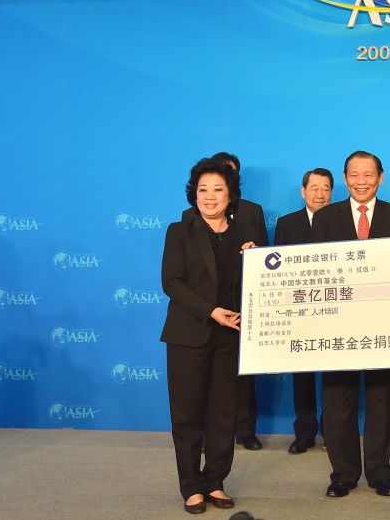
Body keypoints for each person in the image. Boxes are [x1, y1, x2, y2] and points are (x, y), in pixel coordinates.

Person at [311, 151, 390, 499]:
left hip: (385, 325)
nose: (361, 181)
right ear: (344, 177)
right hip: (337, 326)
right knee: (338, 400)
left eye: (368, 175)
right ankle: (342, 474)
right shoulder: (325, 219)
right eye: (354, 175)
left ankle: (380, 473)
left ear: (380, 178)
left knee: (382, 399)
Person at [161, 158, 243, 514]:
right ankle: (191, 487)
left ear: (231, 194)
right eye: (203, 189)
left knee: (224, 414)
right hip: (189, 335)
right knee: (188, 414)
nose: (210, 197)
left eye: (218, 189)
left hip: (231, 336)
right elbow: (172, 283)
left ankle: (215, 482)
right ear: (193, 194)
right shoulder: (179, 231)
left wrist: (255, 264)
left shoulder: (242, 234)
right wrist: (211, 311)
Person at [207, 152, 269, 452]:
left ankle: (246, 430)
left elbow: (268, 258)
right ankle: (209, 434)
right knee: (208, 376)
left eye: (229, 174)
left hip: (247, 303)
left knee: (244, 371)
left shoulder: (253, 212)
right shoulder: (194, 214)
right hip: (209, 307)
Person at [273, 167, 334, 454]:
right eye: (314, 188)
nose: (319, 194)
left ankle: (333, 433)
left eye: (325, 188)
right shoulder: (286, 224)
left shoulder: (342, 220)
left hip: (337, 307)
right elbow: (277, 269)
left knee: (336, 376)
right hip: (299, 309)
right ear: (303, 191)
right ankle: (305, 432)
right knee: (303, 376)